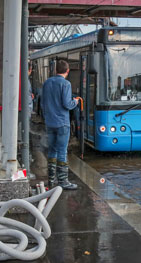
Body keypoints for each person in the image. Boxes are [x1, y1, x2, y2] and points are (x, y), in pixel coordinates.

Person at [41, 60, 80, 190]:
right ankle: (63, 181)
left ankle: (51, 180)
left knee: (52, 150)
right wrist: (75, 102)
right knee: (62, 151)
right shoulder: (66, 84)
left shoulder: (47, 83)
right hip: (62, 123)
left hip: (50, 122)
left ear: (55, 70)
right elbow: (67, 104)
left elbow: (43, 103)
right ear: (67, 71)